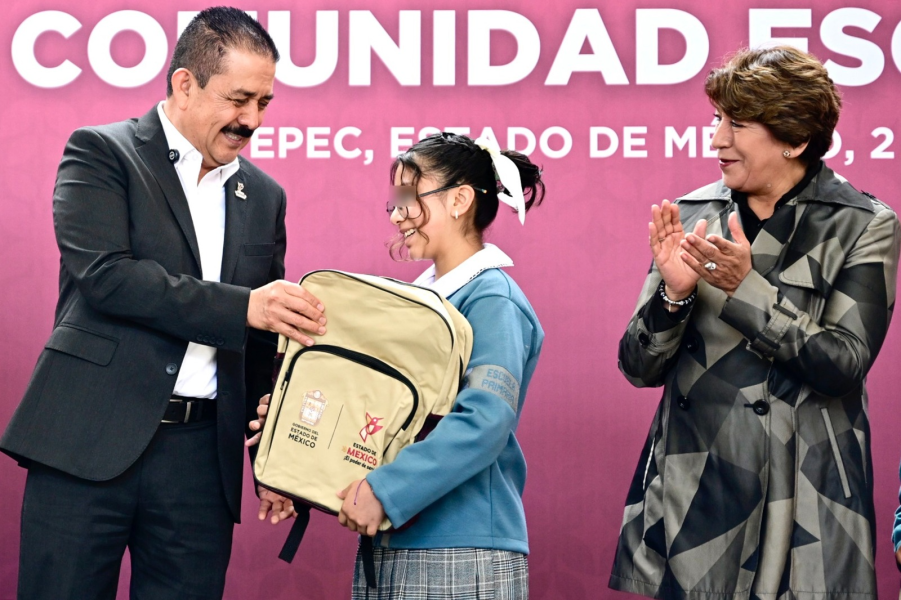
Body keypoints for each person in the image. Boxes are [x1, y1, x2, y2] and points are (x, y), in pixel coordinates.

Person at [0, 8, 326, 599]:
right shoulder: (101, 152)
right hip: (85, 441)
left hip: (199, 465)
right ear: (185, 83)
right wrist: (244, 307)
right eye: (238, 99)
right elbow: (107, 277)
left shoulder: (265, 196)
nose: (252, 120)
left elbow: (260, 344)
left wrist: (275, 460)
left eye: (264, 103)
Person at [609, 46, 900, 599]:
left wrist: (746, 290)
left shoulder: (863, 224)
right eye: (717, 119)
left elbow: (843, 364)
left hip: (805, 501)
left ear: (795, 138)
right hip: (694, 495)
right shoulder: (693, 215)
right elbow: (638, 368)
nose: (716, 139)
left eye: (737, 124)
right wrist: (673, 295)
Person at [250, 132, 546, 598]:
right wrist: (292, 436)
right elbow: (384, 417)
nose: (397, 215)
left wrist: (387, 492)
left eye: (410, 197)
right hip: (393, 543)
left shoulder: (492, 298)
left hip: (459, 550)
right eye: (395, 201)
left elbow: (486, 419)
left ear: (460, 200)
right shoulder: (426, 303)